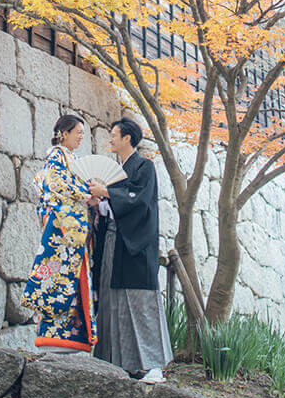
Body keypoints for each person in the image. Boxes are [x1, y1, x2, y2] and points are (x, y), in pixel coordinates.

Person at [89, 117, 172, 383]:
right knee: (113, 300)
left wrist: (110, 193)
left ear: (127, 138)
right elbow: (113, 211)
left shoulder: (144, 167)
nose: (110, 138)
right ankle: (116, 363)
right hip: (114, 243)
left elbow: (141, 203)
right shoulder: (118, 169)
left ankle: (153, 366)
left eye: (113, 134)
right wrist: (98, 204)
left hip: (136, 246)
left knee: (139, 302)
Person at [21, 114, 98, 352]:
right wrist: (86, 196)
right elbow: (55, 185)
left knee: (73, 281)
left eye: (83, 134)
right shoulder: (55, 155)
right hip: (62, 231)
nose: (81, 137)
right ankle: (53, 338)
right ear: (64, 133)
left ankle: (72, 339)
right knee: (57, 278)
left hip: (74, 233)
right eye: (78, 133)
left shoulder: (73, 159)